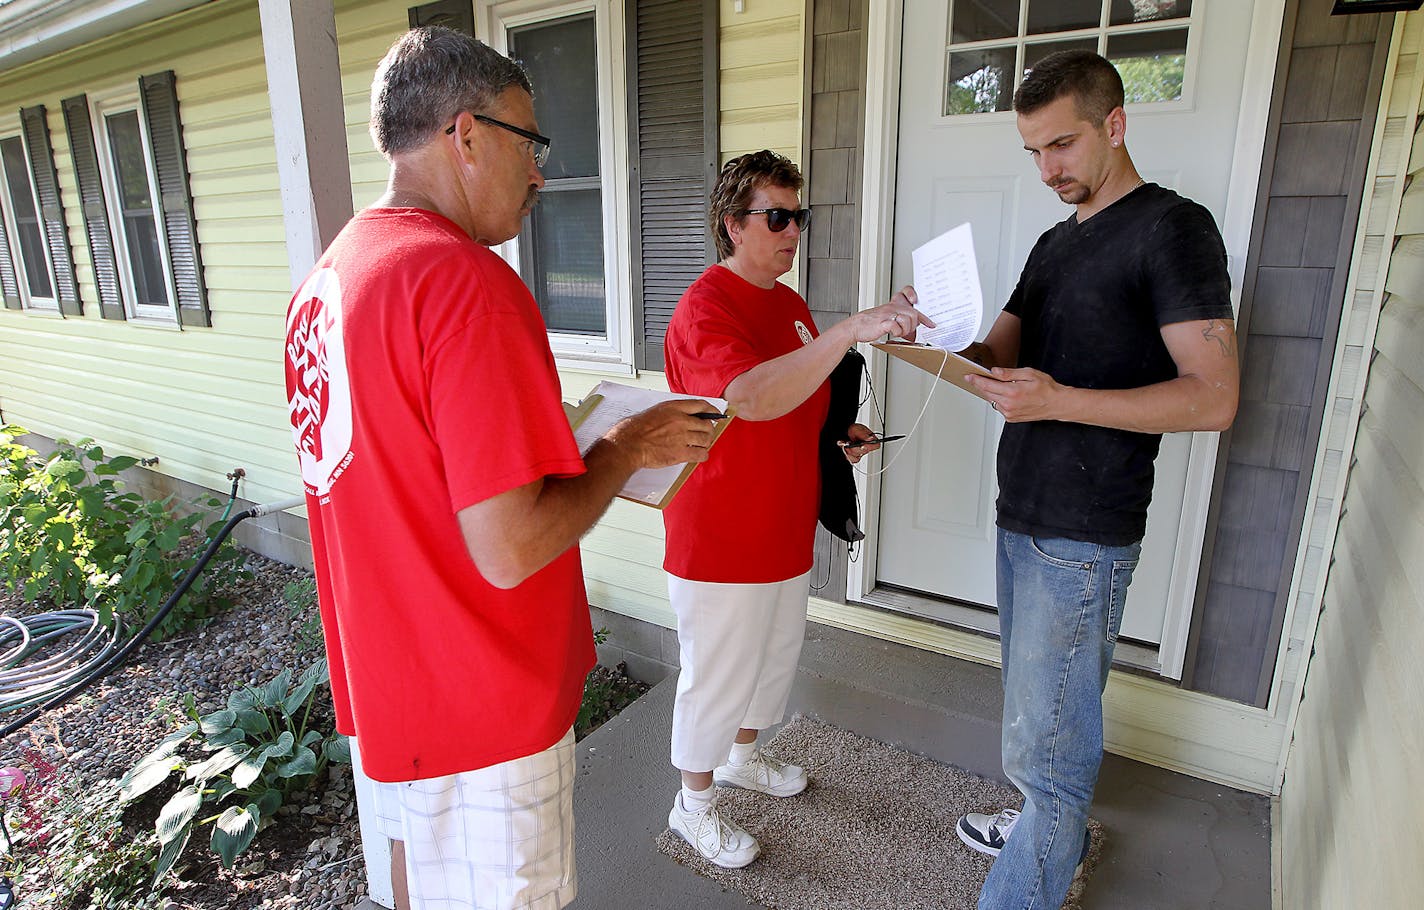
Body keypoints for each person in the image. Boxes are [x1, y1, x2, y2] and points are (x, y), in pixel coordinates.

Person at [282, 27, 716, 910]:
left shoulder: (329, 281)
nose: (542, 172)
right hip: (483, 708)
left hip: (391, 701)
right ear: (466, 133)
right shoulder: (462, 282)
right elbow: (512, 547)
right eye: (531, 141)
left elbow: (404, 472)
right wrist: (624, 448)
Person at [921, 50, 1241, 908]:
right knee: (1038, 721)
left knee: (1053, 751)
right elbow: (998, 356)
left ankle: (1028, 869)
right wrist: (932, 336)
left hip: (1085, 529)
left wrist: (1060, 399)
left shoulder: (1174, 229)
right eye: (1032, 151)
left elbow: (1213, 398)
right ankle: (1033, 822)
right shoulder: (1052, 243)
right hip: (1020, 511)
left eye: (1061, 145)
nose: (1047, 169)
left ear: (1117, 125)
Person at [660, 149, 929, 868]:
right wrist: (849, 330)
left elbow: (798, 402)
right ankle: (693, 808)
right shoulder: (705, 306)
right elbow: (747, 396)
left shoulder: (789, 304)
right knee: (716, 675)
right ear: (732, 224)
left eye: (798, 216)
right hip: (719, 534)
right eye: (776, 216)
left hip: (781, 526)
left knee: (770, 663)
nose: (792, 230)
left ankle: (742, 759)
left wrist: (840, 435)